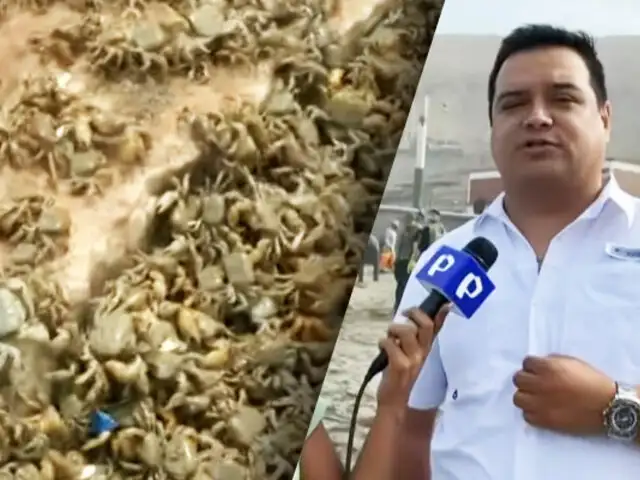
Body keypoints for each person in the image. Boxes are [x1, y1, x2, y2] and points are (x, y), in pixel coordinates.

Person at [301, 24, 640, 480]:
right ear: (493, 127)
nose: (537, 117)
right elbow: (412, 432)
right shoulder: (444, 261)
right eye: (513, 104)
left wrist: (615, 408)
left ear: (604, 117)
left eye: (563, 99)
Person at [393, 214, 420, 311]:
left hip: (401, 260)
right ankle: (400, 306)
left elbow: (397, 246)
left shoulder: (403, 231)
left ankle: (398, 305)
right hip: (407, 261)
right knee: (405, 285)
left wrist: (396, 259)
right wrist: (413, 260)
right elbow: (415, 248)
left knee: (401, 285)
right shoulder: (416, 230)